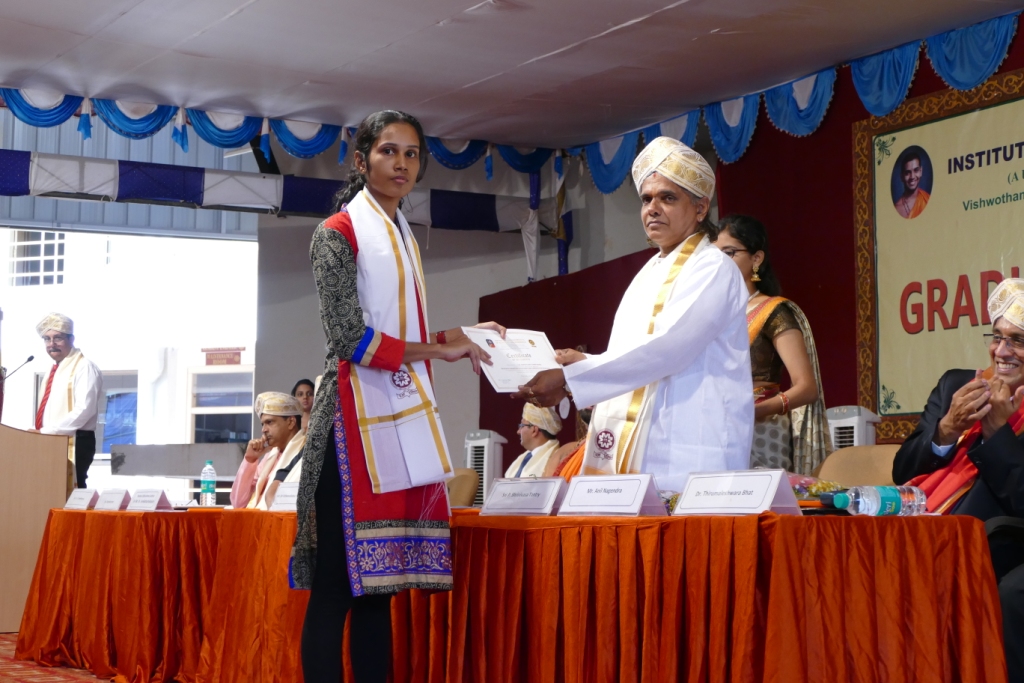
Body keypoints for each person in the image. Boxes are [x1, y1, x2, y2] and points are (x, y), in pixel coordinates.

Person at [291, 109, 503, 683]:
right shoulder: (337, 233)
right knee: (337, 587)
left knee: (378, 592)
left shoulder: (403, 236)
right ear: (362, 161)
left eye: (412, 154)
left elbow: (406, 334)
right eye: (389, 151)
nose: (402, 164)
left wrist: (460, 337)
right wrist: (440, 350)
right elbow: (348, 337)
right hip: (348, 428)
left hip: (395, 423)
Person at [515, 137, 753, 493]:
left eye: (667, 198)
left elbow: (669, 348)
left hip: (687, 442)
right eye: (646, 199)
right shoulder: (649, 271)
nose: (652, 208)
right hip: (640, 442)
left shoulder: (714, 267)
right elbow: (634, 352)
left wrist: (570, 378)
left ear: (701, 208)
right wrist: (582, 363)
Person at [892, 278, 1024, 682]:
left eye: (1018, 341)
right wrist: (946, 430)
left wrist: (997, 433)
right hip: (915, 526)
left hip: (991, 541)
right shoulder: (956, 384)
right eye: (997, 337)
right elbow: (902, 470)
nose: (1002, 351)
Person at [714, 215, 833, 474]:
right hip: (715, 428)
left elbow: (806, 388)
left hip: (763, 429)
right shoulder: (710, 315)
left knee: (760, 497)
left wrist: (753, 412)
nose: (719, 262)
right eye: (714, 255)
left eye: (729, 253)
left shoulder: (773, 311)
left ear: (756, 259)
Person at [33, 313, 102, 489]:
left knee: (69, 491)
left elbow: (85, 409)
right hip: (51, 439)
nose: (52, 344)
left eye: (58, 338)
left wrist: (48, 431)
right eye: (47, 339)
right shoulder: (54, 370)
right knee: (48, 490)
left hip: (76, 440)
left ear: (71, 339)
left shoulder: (84, 367)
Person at [230, 391, 306, 509]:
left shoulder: (305, 453)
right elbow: (238, 503)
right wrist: (250, 460)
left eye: (269, 422)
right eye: (263, 424)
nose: (264, 430)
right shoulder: (271, 456)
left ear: (291, 422)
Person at [504, 403, 562, 478]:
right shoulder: (526, 456)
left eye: (522, 425)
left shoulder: (554, 460)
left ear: (534, 430)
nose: (518, 431)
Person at [894, 152, 930, 219]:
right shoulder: (897, 209)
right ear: (902, 177)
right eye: (907, 173)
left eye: (916, 170)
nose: (912, 177)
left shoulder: (927, 199)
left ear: (921, 171)